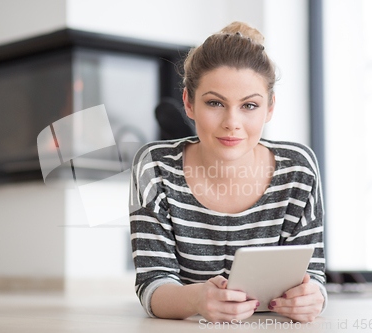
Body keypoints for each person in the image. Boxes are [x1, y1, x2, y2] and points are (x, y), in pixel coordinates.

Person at [129, 21, 326, 324]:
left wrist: (314, 298)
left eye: (249, 105)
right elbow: (152, 284)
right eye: (215, 103)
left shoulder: (298, 168)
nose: (231, 122)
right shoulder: (154, 168)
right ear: (189, 103)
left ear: (270, 108)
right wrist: (196, 299)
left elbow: (312, 275)